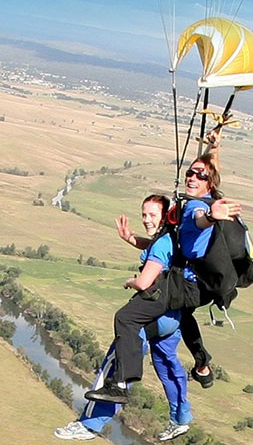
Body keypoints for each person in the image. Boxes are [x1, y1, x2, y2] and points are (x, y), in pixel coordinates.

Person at [87, 143, 242, 403]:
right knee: (184, 318)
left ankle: (120, 385)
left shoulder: (195, 209)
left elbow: (197, 220)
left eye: (200, 176)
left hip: (185, 288)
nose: (193, 178)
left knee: (126, 319)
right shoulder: (195, 206)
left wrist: (211, 218)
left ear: (210, 183)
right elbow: (166, 246)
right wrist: (214, 145)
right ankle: (202, 367)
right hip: (198, 288)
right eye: (190, 173)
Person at [56, 195, 192, 441]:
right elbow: (152, 246)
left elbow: (143, 282)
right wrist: (130, 238)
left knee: (117, 360)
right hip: (173, 317)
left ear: (165, 216)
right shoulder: (174, 239)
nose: (146, 220)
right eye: (144, 215)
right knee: (168, 366)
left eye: (152, 215)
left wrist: (129, 282)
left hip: (151, 315)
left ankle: (89, 424)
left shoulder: (162, 244)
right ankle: (181, 417)